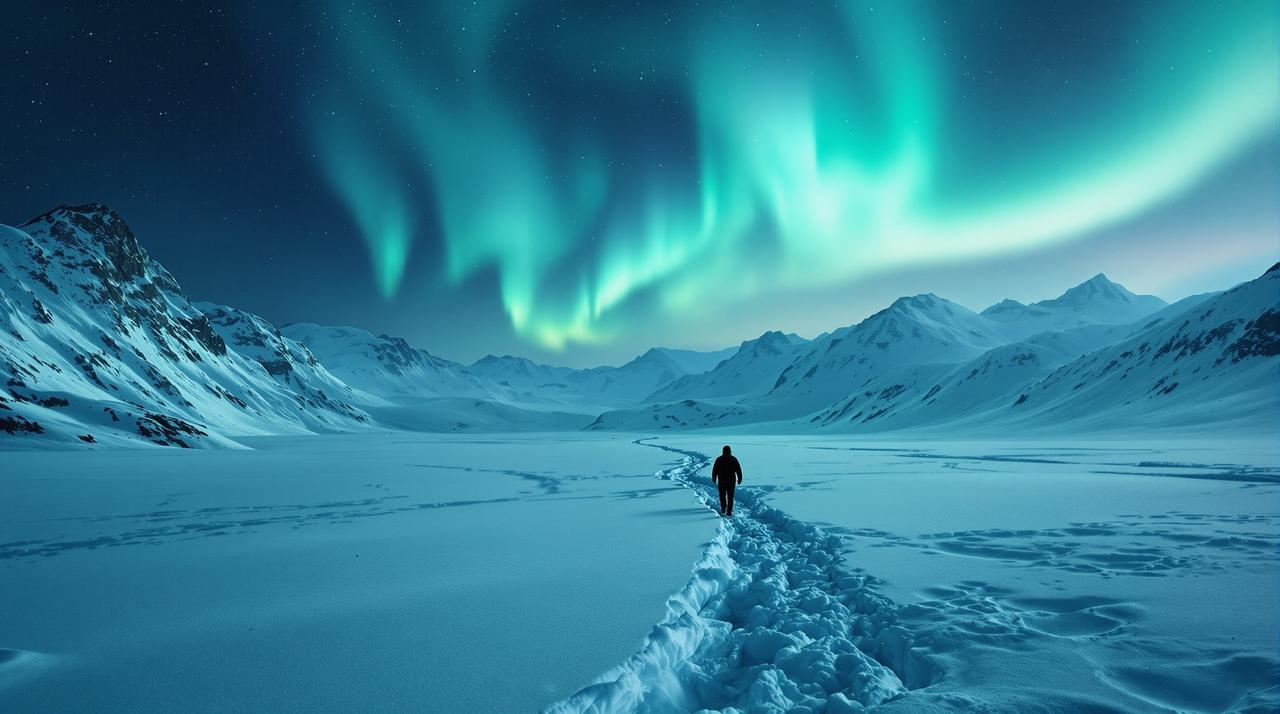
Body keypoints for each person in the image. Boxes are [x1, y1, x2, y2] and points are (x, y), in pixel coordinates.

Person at [711, 445, 742, 516]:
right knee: (730, 496)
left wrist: (714, 478)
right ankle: (729, 511)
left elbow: (714, 470)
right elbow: (738, 470)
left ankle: (723, 508)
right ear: (730, 451)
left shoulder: (719, 459)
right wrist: (740, 479)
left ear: (723, 451)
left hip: (722, 481)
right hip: (731, 481)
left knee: (722, 495)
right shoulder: (734, 459)